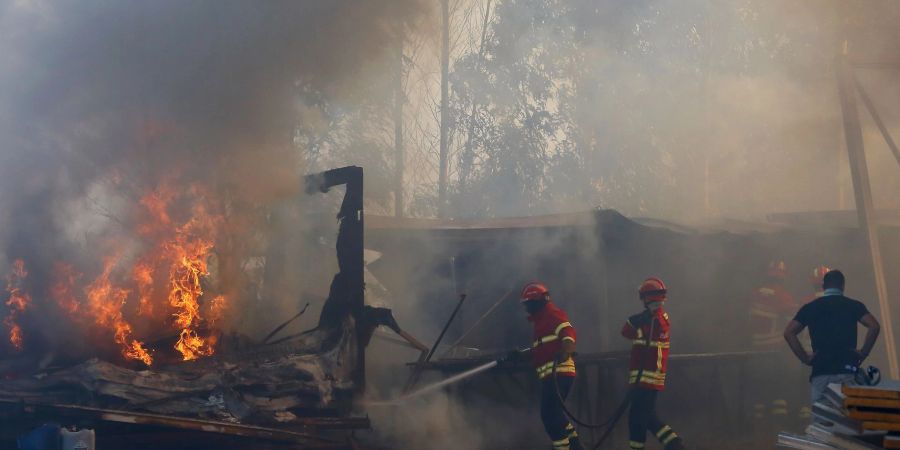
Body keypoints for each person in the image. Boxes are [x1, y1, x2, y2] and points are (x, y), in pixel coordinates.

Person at [783, 270, 881, 406]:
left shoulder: (811, 307)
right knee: (849, 420)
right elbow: (874, 326)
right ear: (843, 286)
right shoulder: (853, 305)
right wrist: (863, 353)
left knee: (823, 422)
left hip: (821, 372)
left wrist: (804, 358)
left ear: (824, 287)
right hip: (847, 372)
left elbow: (789, 332)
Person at [621, 277, 684, 450]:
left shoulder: (658, 320)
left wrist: (642, 318)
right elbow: (626, 332)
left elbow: (629, 331)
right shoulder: (650, 319)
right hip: (643, 378)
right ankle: (675, 445)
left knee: (637, 419)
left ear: (645, 298)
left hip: (648, 378)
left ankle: (674, 445)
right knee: (647, 417)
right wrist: (640, 318)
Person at [520, 281, 583, 450]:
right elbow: (542, 349)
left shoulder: (553, 314)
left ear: (537, 301)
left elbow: (568, 333)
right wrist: (520, 356)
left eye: (528, 304)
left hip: (559, 374)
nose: (526, 308)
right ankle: (576, 446)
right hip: (552, 376)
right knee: (556, 415)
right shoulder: (540, 322)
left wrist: (567, 350)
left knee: (549, 416)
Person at [748, 260, 798, 422]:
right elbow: (794, 319)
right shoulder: (782, 295)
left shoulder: (755, 292)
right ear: (783, 277)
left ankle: (759, 419)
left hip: (756, 347)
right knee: (779, 381)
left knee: (761, 384)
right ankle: (779, 422)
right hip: (775, 347)